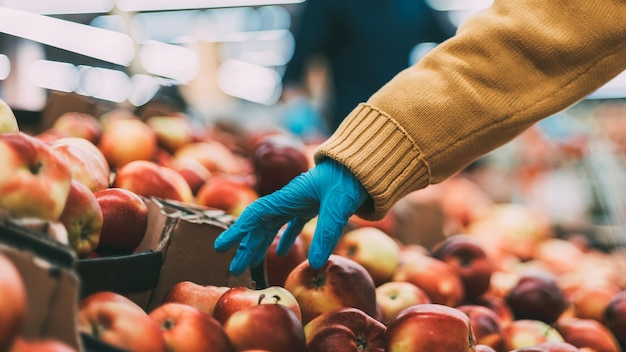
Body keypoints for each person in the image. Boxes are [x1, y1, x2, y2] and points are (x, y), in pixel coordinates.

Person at [214, 0, 626, 276]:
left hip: (404, 148)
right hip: (361, 137)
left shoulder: (416, 5)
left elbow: (485, 47)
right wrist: (356, 148)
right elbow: (517, 45)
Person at [280, 0, 452, 135]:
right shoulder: (329, 3)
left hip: (405, 127)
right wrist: (304, 122)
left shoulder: (413, 4)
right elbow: (294, 75)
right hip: (352, 130)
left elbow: (453, 46)